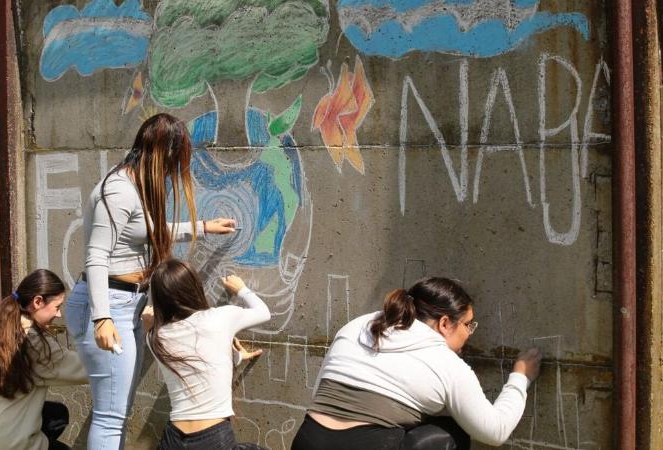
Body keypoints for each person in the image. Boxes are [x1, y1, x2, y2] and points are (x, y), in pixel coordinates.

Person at [64, 113, 237, 450]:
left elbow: (149, 232)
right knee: (111, 417)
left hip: (123, 302)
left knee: (116, 412)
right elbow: (97, 255)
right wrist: (102, 318)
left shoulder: (135, 187)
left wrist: (202, 227)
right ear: (162, 154)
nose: (175, 172)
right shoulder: (117, 191)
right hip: (109, 304)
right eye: (175, 162)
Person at [291, 277, 542, 450]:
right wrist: (520, 376)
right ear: (445, 323)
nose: (470, 333)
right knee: (450, 432)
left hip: (306, 442)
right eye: (468, 324)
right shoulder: (446, 363)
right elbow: (494, 431)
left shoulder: (359, 326)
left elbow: (319, 394)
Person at [0, 269, 87, 450]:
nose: (59, 315)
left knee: (56, 415)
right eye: (57, 307)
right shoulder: (34, 343)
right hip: (9, 444)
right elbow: (85, 369)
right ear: (38, 302)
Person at [144, 259, 270, 450]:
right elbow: (263, 313)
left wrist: (234, 357)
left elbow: (192, 362)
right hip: (212, 439)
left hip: (173, 440)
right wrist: (241, 289)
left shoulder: (154, 337)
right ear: (194, 287)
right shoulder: (220, 317)